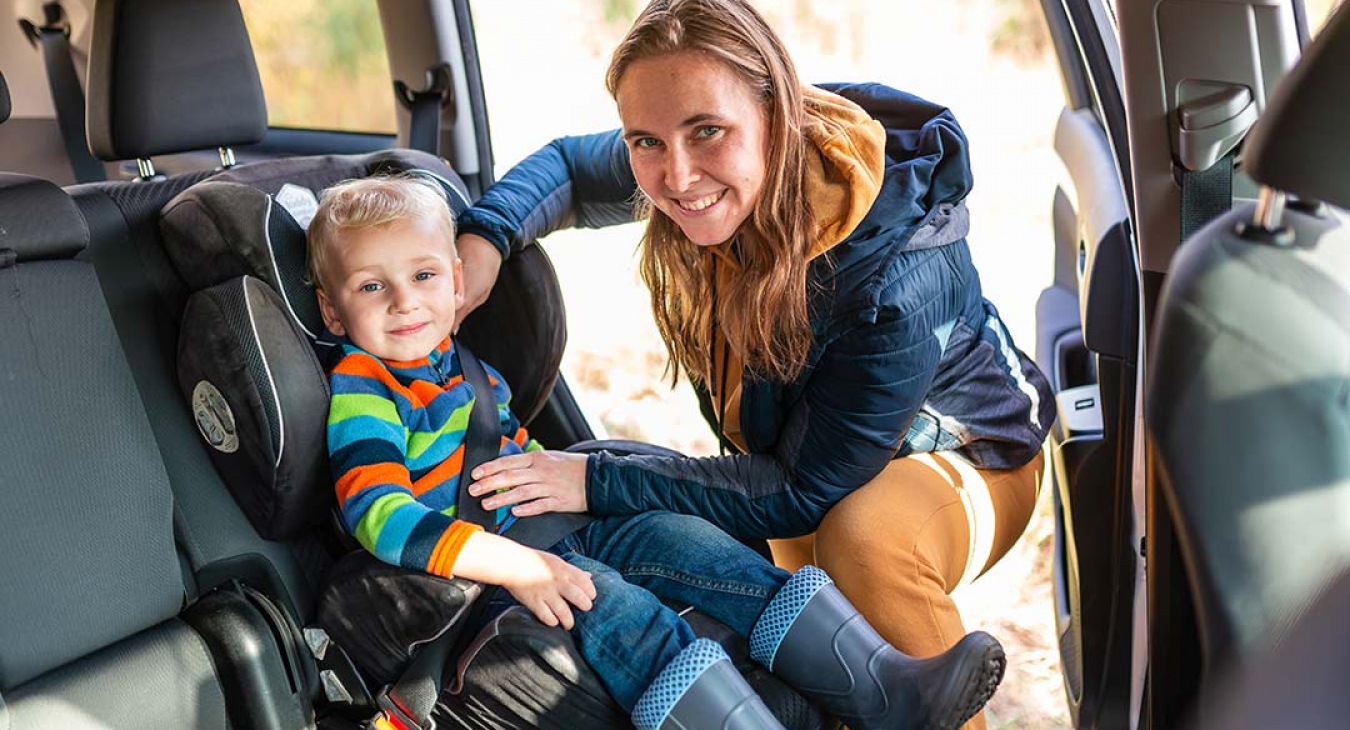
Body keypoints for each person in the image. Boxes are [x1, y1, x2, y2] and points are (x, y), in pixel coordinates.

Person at [454, 2, 1056, 728]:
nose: (677, 175)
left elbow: (801, 488)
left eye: (706, 131)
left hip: (970, 453)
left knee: (860, 539)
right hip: (810, 464)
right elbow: (567, 170)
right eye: (646, 141)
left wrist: (592, 479)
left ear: (776, 110)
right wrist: (482, 241)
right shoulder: (693, 154)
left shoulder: (899, 270)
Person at [308, 173, 1008, 730]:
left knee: (699, 547)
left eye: (424, 276)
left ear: (458, 283)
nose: (405, 302)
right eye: (373, 287)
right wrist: (516, 564)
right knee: (622, 613)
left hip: (550, 528)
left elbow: (514, 458)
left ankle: (886, 689)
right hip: (482, 569)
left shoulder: (468, 370)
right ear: (334, 313)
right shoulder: (365, 386)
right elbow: (382, 516)